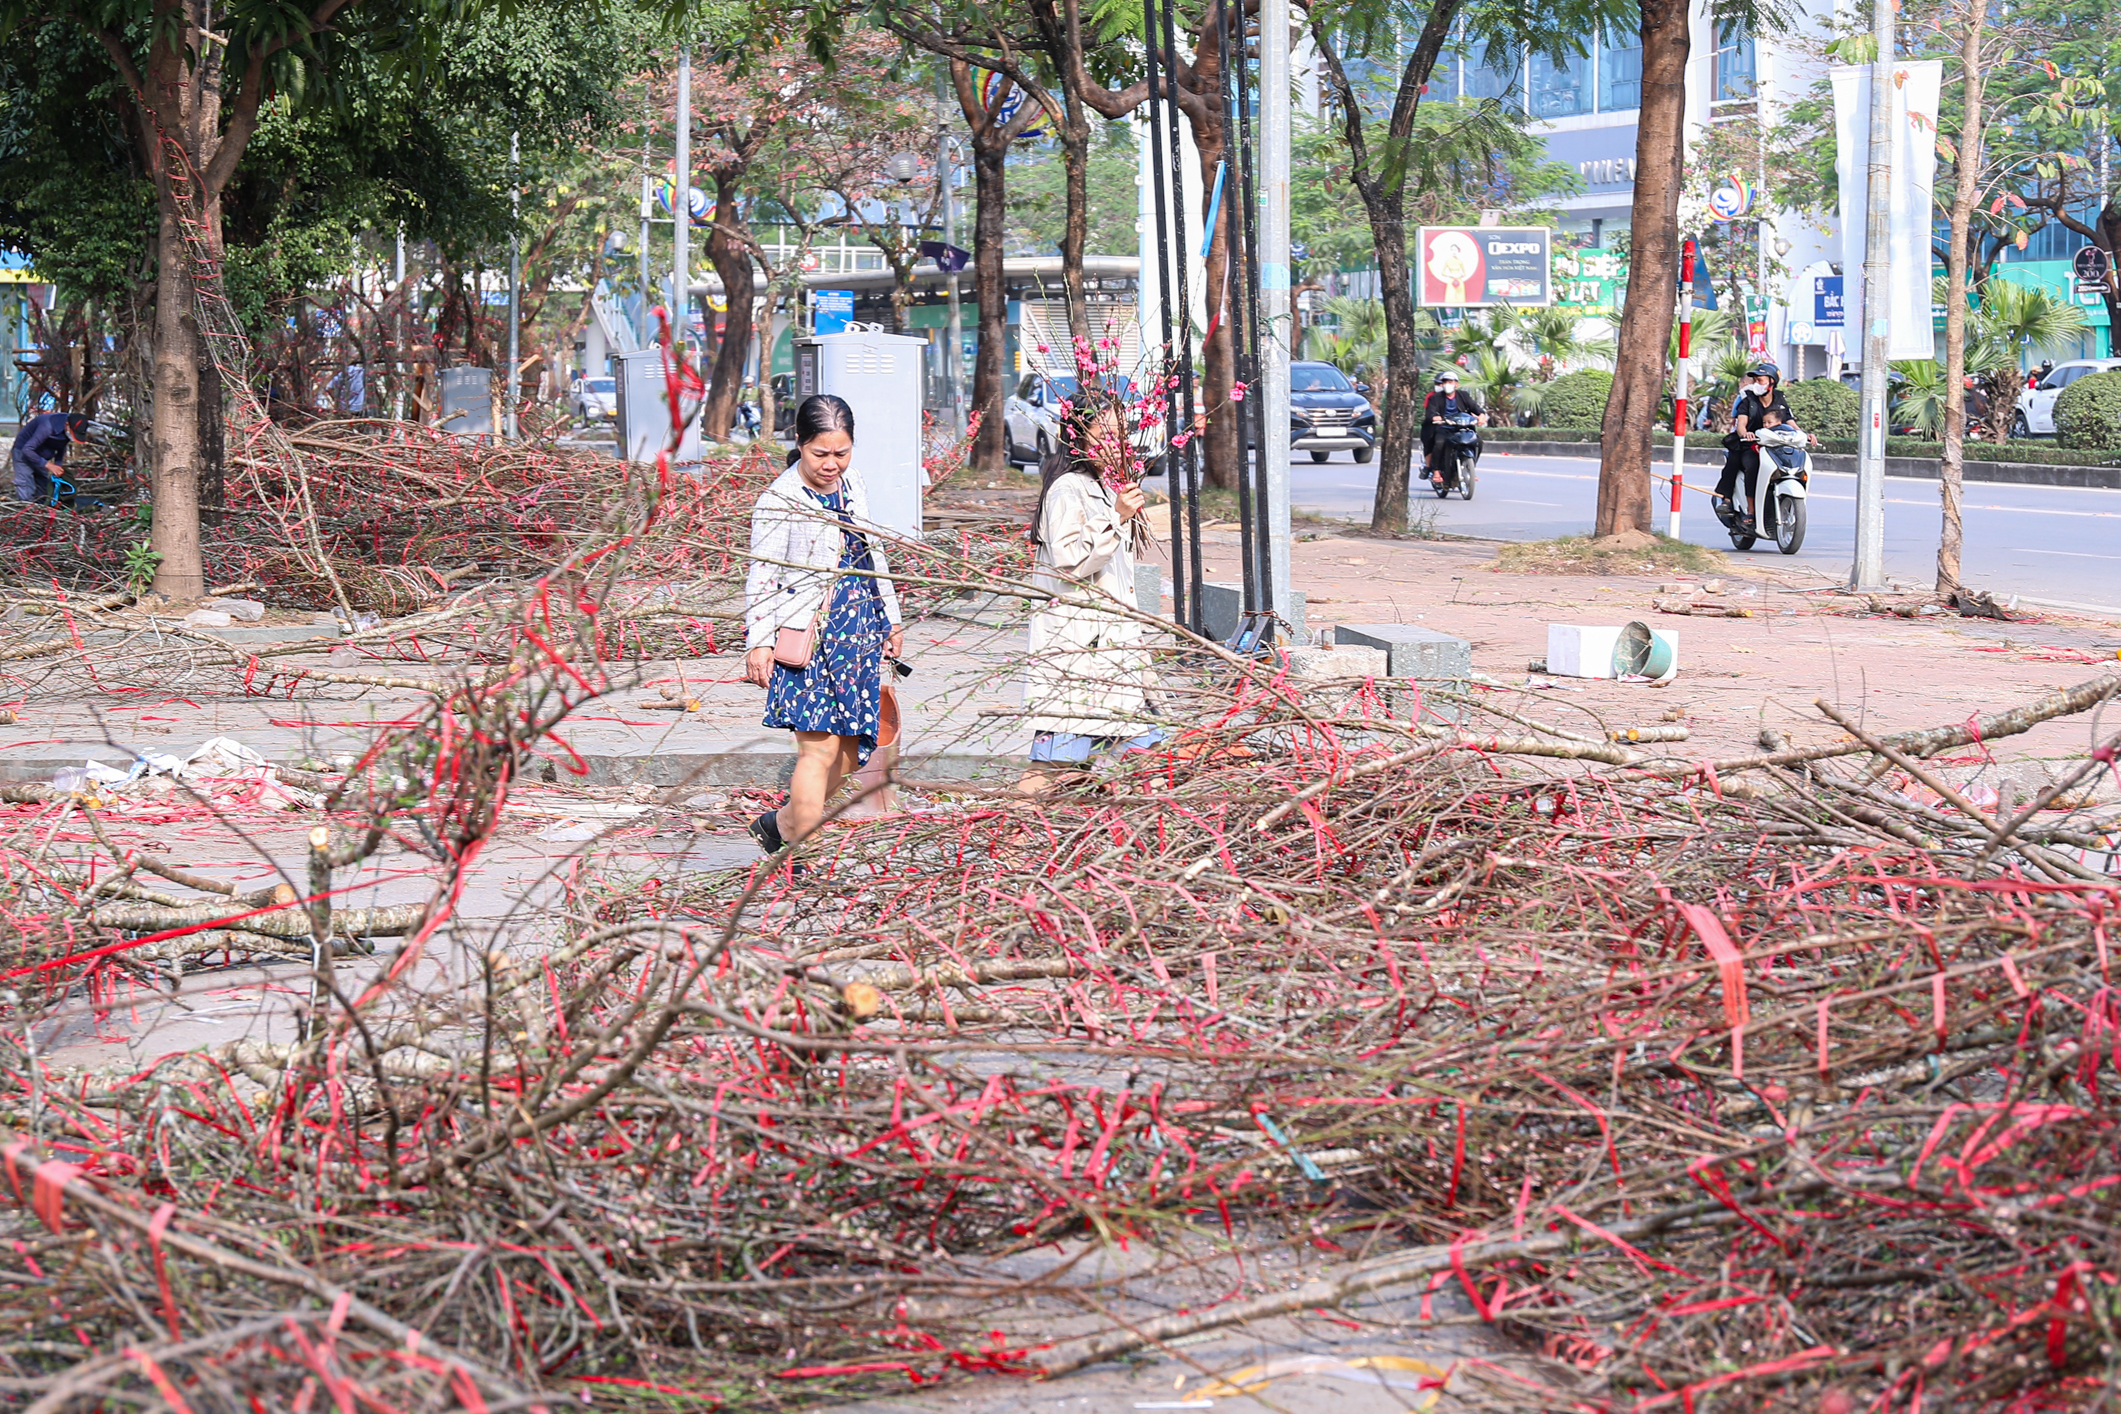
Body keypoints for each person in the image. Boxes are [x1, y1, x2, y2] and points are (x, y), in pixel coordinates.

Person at [742, 394, 904, 855]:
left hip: (859, 633)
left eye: (841, 452)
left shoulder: (854, 485)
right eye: (820, 454)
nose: (832, 464)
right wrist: (758, 644)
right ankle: (800, 854)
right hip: (808, 638)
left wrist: (890, 616)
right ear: (799, 443)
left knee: (852, 753)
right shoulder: (779, 500)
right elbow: (763, 575)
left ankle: (781, 824)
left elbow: (874, 554)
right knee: (818, 751)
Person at [1019, 389, 1163, 794]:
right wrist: (1117, 516)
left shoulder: (1101, 486)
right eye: (1104, 432)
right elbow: (1071, 563)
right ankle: (1006, 836)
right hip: (1080, 653)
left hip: (1109, 653)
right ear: (1077, 437)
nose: (1115, 442)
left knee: (1128, 755)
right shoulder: (1068, 489)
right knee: (1052, 763)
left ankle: (1078, 842)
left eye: (1122, 433)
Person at [1713, 363, 1791, 530]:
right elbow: (1741, 424)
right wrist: (1745, 434)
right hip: (1750, 445)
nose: (1756, 383)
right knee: (1752, 465)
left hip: (1773, 445)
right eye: (1755, 380)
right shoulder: (1748, 399)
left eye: (1760, 380)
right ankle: (1749, 509)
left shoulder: (1780, 398)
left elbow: (1790, 422)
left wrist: (1805, 434)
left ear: (1771, 382)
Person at [10, 411, 89, 504]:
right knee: (26, 487)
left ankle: (42, 510)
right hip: (23, 452)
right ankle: (27, 511)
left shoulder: (68, 427)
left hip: (42, 455)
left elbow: (61, 447)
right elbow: (27, 449)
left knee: (44, 488)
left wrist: (58, 465)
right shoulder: (47, 426)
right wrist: (48, 465)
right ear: (67, 425)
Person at [1421, 369, 1486, 479]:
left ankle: (1471, 468)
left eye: (1450, 382)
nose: (1448, 384)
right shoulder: (1435, 398)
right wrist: (1436, 417)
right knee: (1439, 443)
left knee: (1478, 442)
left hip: (1462, 427)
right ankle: (1436, 471)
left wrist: (1481, 415)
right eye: (1445, 382)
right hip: (1445, 427)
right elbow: (1430, 413)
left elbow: (1476, 408)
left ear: (1456, 384)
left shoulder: (1463, 395)